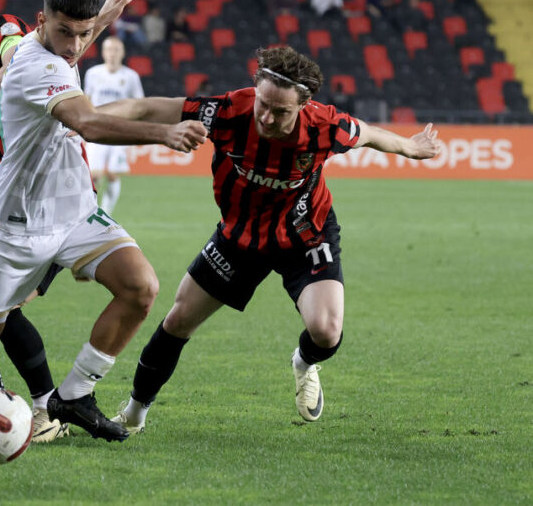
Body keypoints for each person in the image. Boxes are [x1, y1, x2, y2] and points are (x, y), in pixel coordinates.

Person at [0, 0, 207, 442]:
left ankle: (68, 398)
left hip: (74, 209)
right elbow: (83, 121)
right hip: (17, 223)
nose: (77, 47)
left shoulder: (17, 40)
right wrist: (164, 133)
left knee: (141, 287)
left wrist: (98, 22)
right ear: (43, 22)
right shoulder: (32, 61)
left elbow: (17, 65)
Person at [94, 46, 441, 433]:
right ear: (255, 90)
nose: (267, 117)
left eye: (282, 111)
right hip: (239, 237)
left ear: (304, 106)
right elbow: (144, 109)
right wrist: (81, 118)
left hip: (305, 233)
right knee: (177, 321)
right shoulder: (227, 111)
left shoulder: (326, 126)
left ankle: (304, 363)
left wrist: (410, 147)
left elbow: (371, 134)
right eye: (263, 104)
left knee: (327, 331)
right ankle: (134, 413)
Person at [83, 36, 146, 214]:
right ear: (103, 53)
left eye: (116, 50)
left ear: (122, 53)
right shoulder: (93, 74)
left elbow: (138, 103)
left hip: (119, 131)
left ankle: (106, 212)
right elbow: (87, 100)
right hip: (96, 129)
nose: (112, 54)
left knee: (111, 174)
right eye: (109, 50)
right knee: (93, 175)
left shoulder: (130, 76)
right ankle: (91, 211)